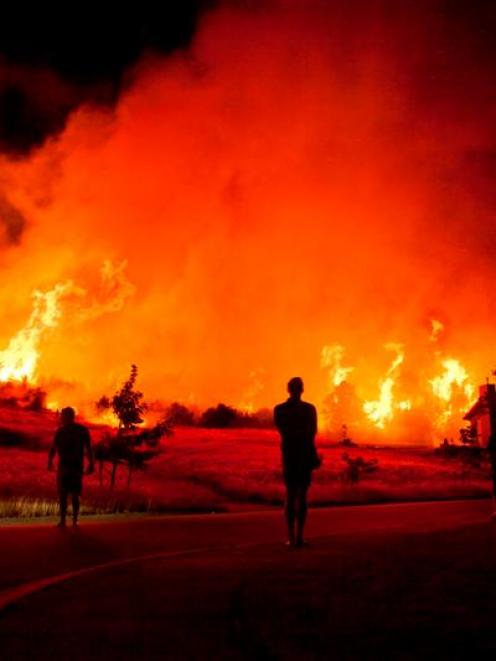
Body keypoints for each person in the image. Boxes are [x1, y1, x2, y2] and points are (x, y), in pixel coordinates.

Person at [274, 377, 320, 547]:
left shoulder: (280, 410)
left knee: (291, 494)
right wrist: (312, 454)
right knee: (302, 496)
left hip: (290, 455)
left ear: (288, 389)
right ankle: (299, 537)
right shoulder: (309, 409)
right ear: (302, 389)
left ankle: (291, 537)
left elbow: (283, 431)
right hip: (304, 455)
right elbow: (312, 434)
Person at [48, 406, 94, 529]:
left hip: (71, 467)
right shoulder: (67, 431)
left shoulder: (70, 431)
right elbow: (54, 447)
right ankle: (69, 520)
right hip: (69, 466)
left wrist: (91, 463)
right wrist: (91, 463)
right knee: (69, 494)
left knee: (70, 494)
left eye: (63, 415)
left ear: (68, 417)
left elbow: (88, 448)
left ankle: (70, 520)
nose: (61, 418)